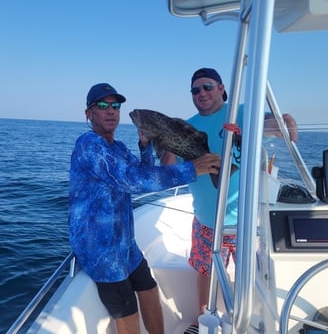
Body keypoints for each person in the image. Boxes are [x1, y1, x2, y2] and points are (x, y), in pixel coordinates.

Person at [68, 82, 222, 334]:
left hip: (124, 243)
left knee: (149, 289)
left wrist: (145, 144)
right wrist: (192, 168)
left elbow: (142, 171)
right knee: (127, 310)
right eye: (102, 105)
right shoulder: (89, 145)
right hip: (101, 249)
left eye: (115, 105)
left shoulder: (115, 147)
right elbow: (131, 180)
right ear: (89, 113)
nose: (111, 111)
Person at [161, 68, 298, 334]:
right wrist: (165, 139)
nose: (201, 93)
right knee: (205, 272)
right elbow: (168, 172)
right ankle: (202, 319)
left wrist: (286, 122)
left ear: (222, 89)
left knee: (256, 275)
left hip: (246, 221)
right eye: (195, 90)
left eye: (207, 87)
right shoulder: (187, 127)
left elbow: (281, 131)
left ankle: (258, 320)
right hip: (206, 220)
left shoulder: (241, 112)